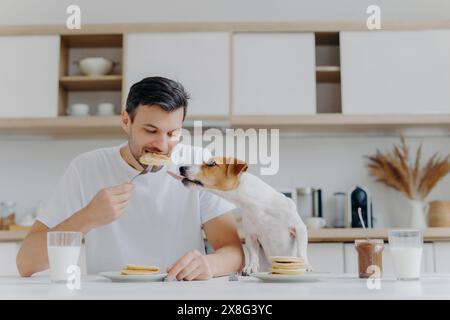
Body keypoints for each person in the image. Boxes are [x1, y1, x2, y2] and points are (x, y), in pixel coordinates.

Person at [17, 76, 244, 281]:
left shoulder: (198, 163)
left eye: (172, 133)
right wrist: (88, 217)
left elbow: (234, 253)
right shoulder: (87, 168)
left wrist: (210, 264)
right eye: (151, 131)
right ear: (126, 121)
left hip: (180, 294)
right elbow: (26, 263)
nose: (163, 146)